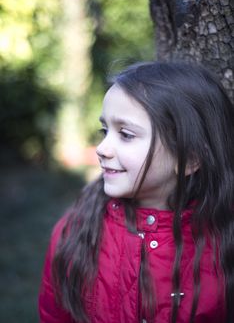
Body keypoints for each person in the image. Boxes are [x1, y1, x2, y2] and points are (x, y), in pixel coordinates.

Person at [39, 61, 234, 323]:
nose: (102, 148)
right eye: (105, 131)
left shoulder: (224, 241)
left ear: (189, 159)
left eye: (126, 134)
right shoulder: (75, 231)